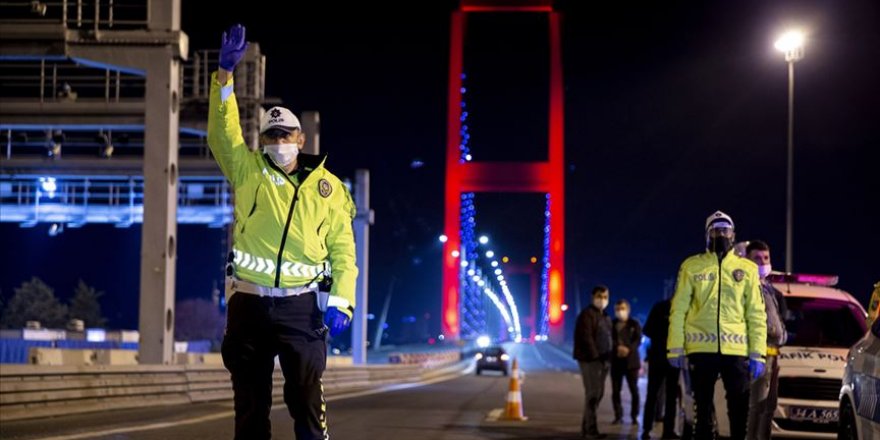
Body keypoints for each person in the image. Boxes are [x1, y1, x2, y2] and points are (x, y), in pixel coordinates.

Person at [210, 24, 358, 440]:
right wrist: (224, 78)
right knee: (250, 410)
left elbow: (344, 252)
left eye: (285, 135)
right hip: (250, 306)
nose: (278, 141)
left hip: (300, 309)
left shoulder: (328, 189)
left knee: (307, 401)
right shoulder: (246, 170)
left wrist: (342, 302)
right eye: (271, 135)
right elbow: (224, 134)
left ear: (301, 138)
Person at [667, 211, 767, 440]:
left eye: (725, 230)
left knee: (739, 411)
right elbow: (679, 309)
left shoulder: (747, 270)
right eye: (716, 230)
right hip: (701, 352)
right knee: (702, 411)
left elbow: (756, 313)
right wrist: (675, 347)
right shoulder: (691, 266)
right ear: (706, 235)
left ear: (733, 235)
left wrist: (757, 353)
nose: (721, 234)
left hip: (736, 352)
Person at [745, 240, 788, 440]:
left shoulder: (770, 289)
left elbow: (778, 322)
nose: (762, 262)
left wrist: (783, 335)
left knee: (768, 408)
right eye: (757, 258)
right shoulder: (746, 287)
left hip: (773, 357)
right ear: (747, 260)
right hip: (757, 355)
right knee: (756, 407)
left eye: (766, 258)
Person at [573, 285, 613, 439]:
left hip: (604, 360)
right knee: (593, 394)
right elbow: (586, 338)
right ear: (593, 297)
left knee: (599, 393)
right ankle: (591, 430)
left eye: (605, 297)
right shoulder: (587, 315)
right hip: (591, 360)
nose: (602, 300)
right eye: (599, 296)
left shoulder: (605, 316)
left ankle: (586, 428)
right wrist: (597, 356)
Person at [641, 297, 680, 439]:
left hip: (675, 359)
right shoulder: (660, 307)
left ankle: (668, 431)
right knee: (652, 394)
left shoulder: (685, 308)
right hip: (658, 357)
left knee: (671, 396)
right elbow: (648, 330)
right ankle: (646, 429)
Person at [610, 299, 642, 425]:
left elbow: (638, 340)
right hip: (616, 361)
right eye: (617, 309)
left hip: (631, 362)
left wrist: (628, 349)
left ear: (628, 310)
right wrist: (616, 347)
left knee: (634, 390)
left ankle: (634, 416)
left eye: (622, 309)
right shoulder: (611, 324)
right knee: (616, 391)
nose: (620, 312)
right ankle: (618, 415)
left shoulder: (634, 324)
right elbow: (608, 338)